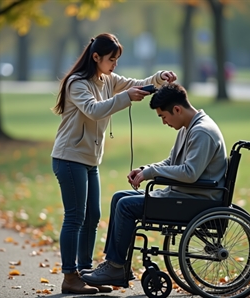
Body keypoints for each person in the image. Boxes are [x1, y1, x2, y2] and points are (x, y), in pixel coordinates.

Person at [51, 32, 177, 295]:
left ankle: (86, 272)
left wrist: (159, 78)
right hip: (69, 158)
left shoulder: (107, 78)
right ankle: (69, 276)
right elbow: (94, 110)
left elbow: (136, 83)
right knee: (75, 217)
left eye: (117, 59)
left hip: (89, 160)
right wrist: (126, 98)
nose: (115, 65)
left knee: (93, 216)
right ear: (96, 57)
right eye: (112, 59)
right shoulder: (78, 83)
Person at [81, 83, 228, 287]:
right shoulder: (189, 127)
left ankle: (115, 267)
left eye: (163, 116)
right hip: (184, 196)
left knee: (125, 206)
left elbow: (189, 173)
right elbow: (171, 162)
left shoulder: (202, 132)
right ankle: (116, 265)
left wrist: (151, 173)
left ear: (177, 109)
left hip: (196, 201)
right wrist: (145, 169)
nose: (164, 122)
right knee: (119, 198)